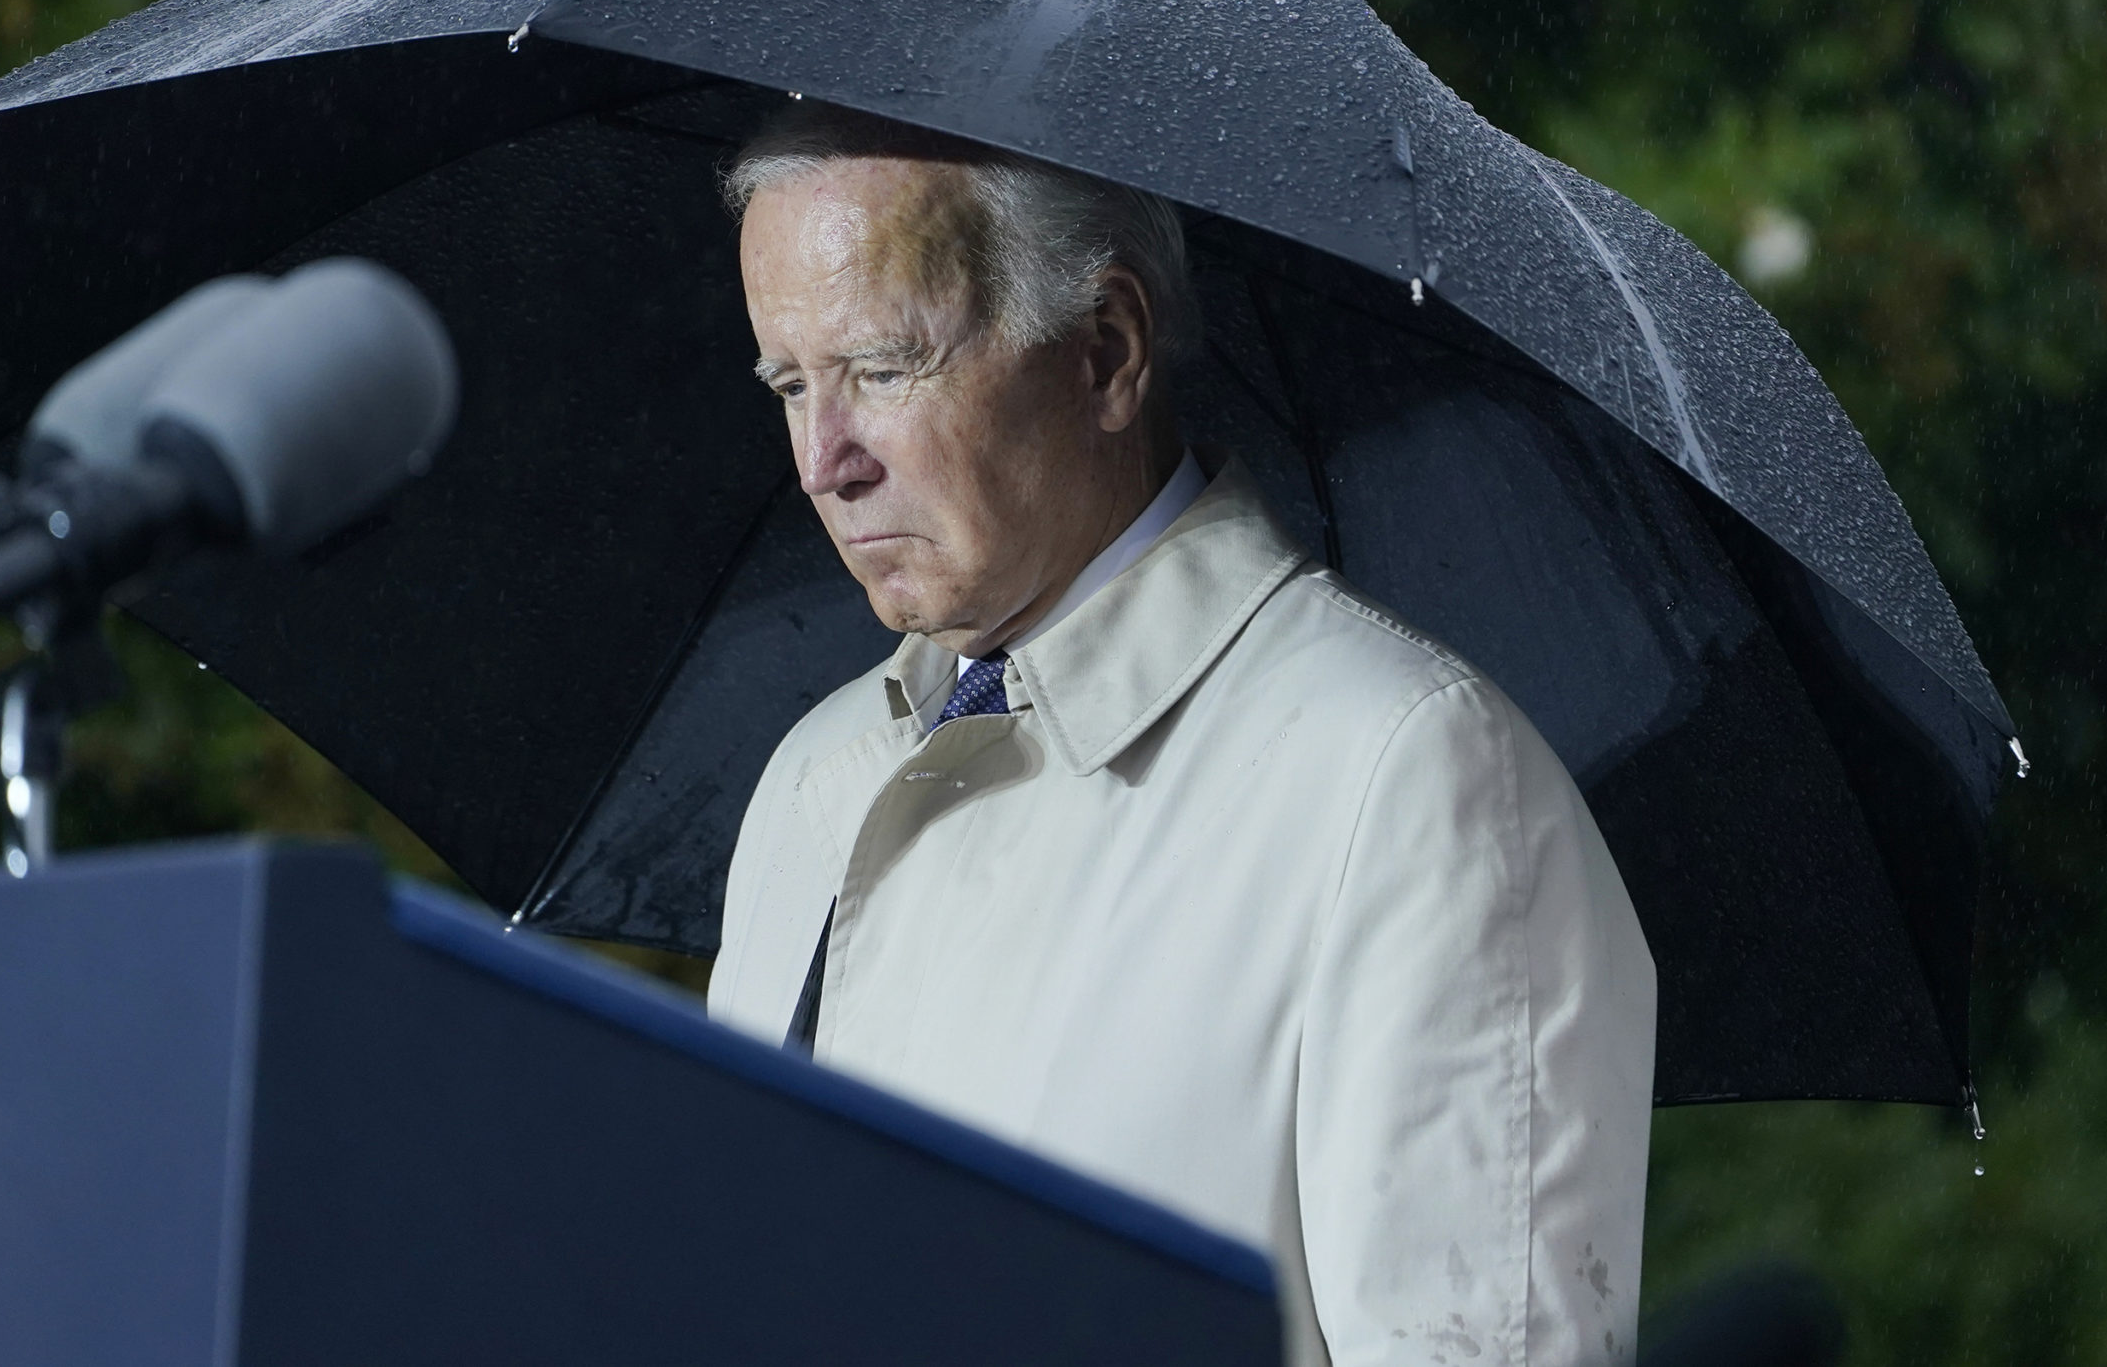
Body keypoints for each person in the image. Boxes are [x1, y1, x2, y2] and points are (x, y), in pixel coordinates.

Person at [705, 102, 1656, 1367]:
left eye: (883, 368)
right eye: (789, 383)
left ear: (1103, 350)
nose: (825, 460)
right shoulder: (811, 784)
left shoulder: (1407, 780)